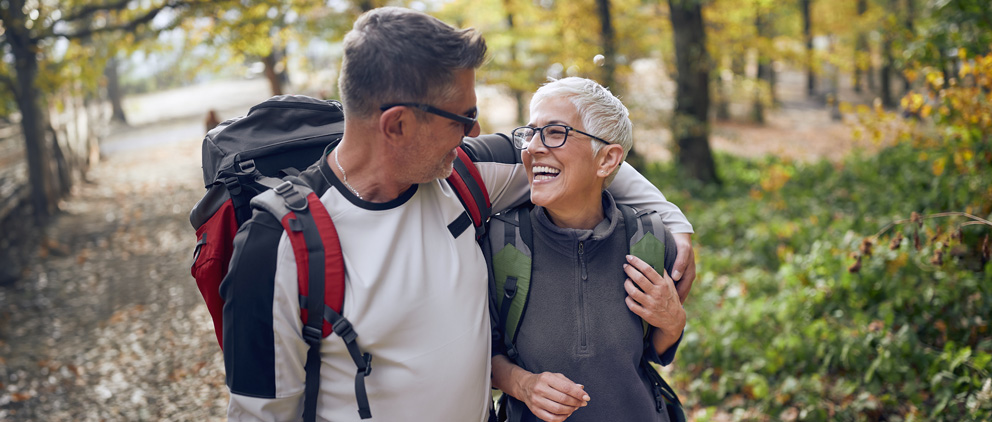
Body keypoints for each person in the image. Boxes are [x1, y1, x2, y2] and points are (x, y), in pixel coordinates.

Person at [221, 7, 694, 421]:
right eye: (464, 118)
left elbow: (577, 161)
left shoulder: (464, 174)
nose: (478, 130)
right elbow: (260, 414)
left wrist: (672, 221)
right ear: (398, 124)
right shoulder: (278, 245)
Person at [489, 77, 686, 422]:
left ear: (607, 160)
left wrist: (673, 324)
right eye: (531, 132)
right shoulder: (499, 243)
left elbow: (653, 351)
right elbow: (480, 354)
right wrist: (523, 384)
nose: (532, 147)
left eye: (554, 133)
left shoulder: (651, 240)